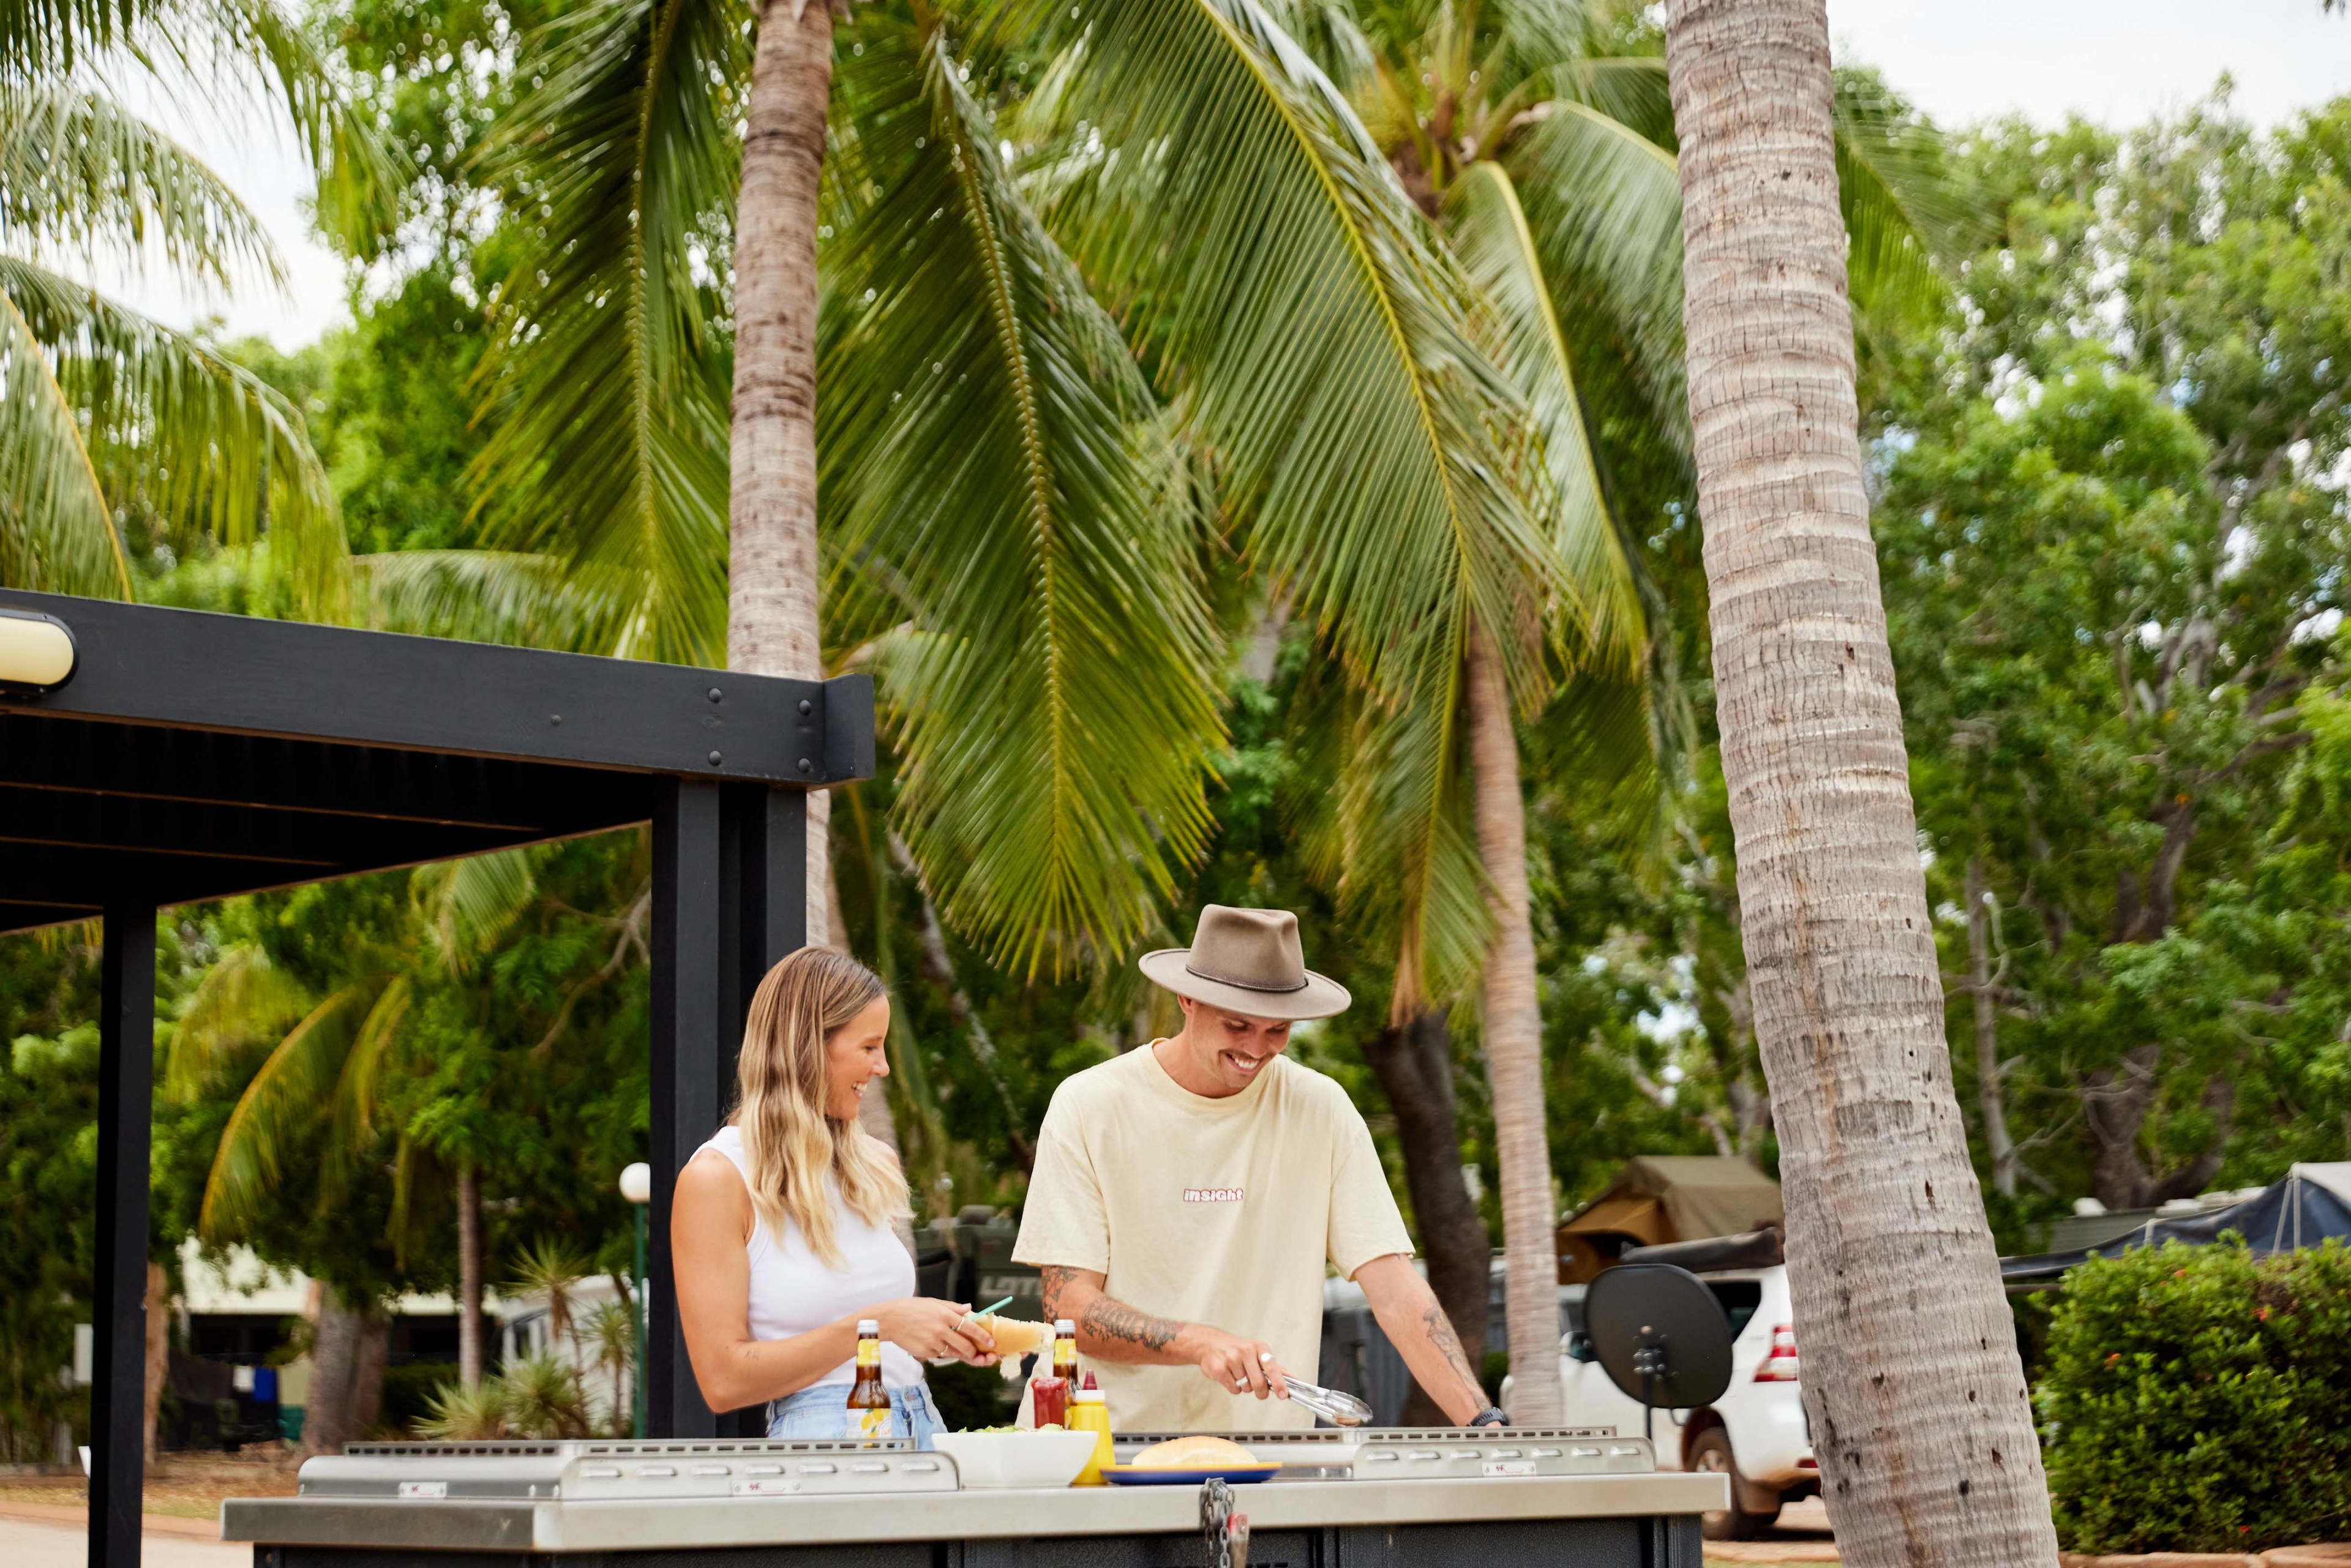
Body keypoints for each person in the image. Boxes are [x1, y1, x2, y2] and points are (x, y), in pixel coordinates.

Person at [1014, 904, 1504, 1432]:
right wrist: (1200, 1342)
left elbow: (1396, 1291)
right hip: (1102, 1450)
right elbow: (1068, 1308)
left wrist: (1484, 1421)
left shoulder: (1321, 1109)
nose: (1255, 1048)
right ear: (1187, 998)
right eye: (1237, 1025)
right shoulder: (1090, 1104)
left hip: (1264, 1458)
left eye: (1277, 1030)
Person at [672, 947, 996, 1444]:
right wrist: (879, 1325)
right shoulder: (718, 1178)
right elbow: (722, 1380)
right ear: (807, 1047)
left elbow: (887, 1336)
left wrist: (935, 1333)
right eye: (869, 1047)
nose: (884, 1066)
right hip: (824, 1445)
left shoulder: (874, 1165)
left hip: (923, 1425)